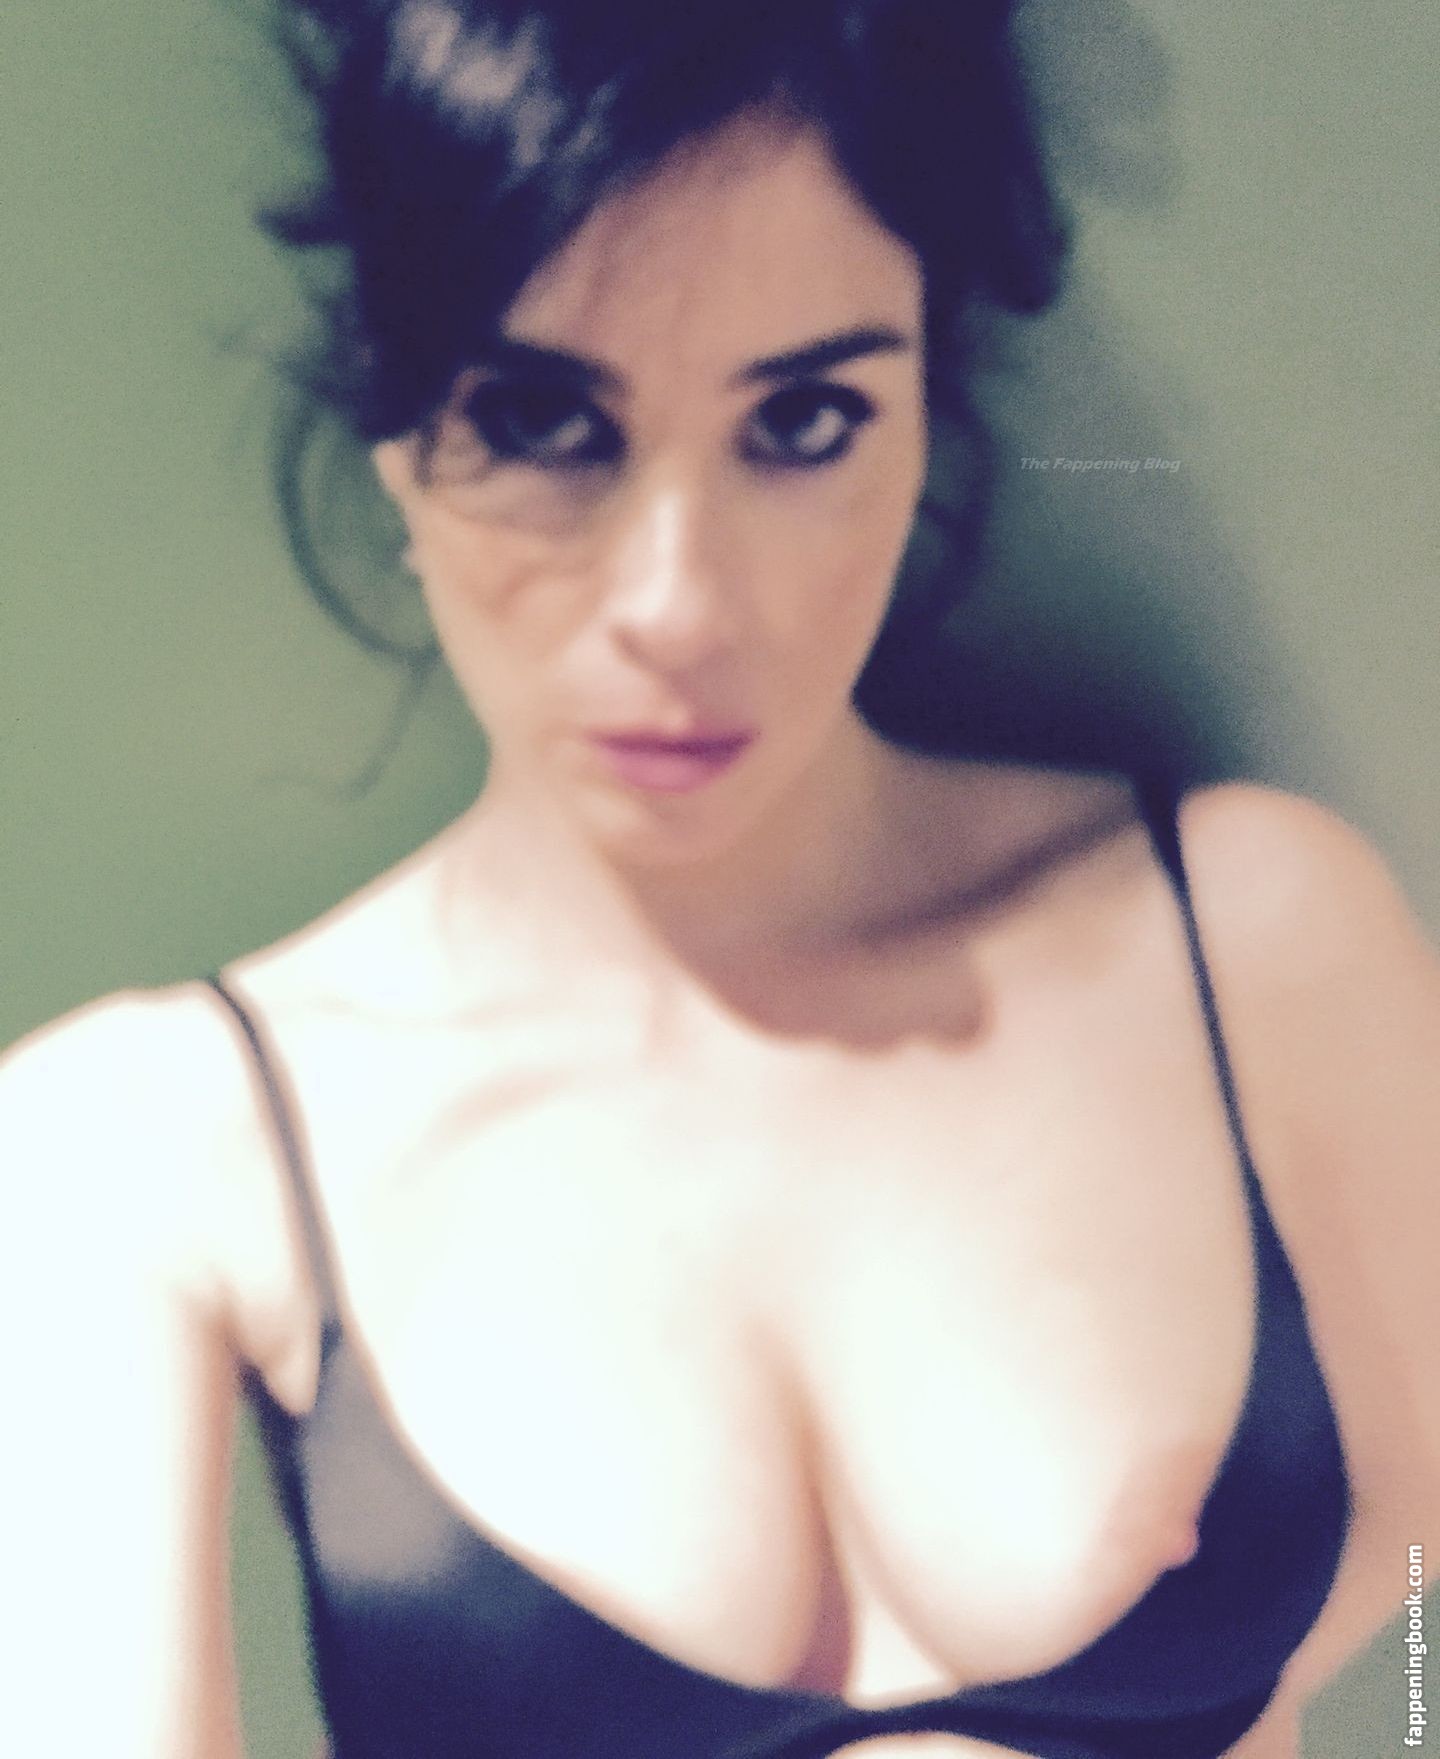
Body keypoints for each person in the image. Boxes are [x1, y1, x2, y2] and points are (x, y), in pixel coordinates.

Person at [3, 3, 1436, 1757]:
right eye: (542, 420)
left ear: (925, 408)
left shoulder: (1260, 940)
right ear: (396, 433)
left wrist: (1337, 1718)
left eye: (807, 419)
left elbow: (1422, 1549)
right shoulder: (140, 1153)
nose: (678, 604)